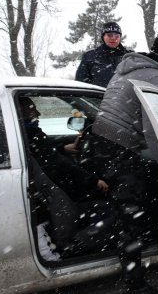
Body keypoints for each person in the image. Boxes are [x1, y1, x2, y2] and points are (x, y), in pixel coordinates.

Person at [89, 30, 158, 293]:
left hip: (100, 141)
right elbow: (155, 128)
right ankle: (134, 282)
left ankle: (115, 243)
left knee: (124, 204)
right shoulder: (156, 76)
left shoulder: (126, 68)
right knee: (131, 213)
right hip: (120, 147)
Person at [18, 97, 117, 258]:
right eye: (31, 108)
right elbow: (59, 163)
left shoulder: (25, 134)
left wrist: (63, 147)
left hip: (53, 194)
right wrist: (94, 180)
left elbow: (45, 152)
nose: (38, 113)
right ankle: (77, 247)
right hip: (56, 197)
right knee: (109, 209)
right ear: (20, 113)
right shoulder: (30, 133)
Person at [75, 21, 133, 87]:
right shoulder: (90, 56)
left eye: (116, 36)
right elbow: (80, 83)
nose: (113, 38)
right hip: (98, 96)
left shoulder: (130, 56)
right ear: (103, 37)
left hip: (125, 96)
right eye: (109, 35)